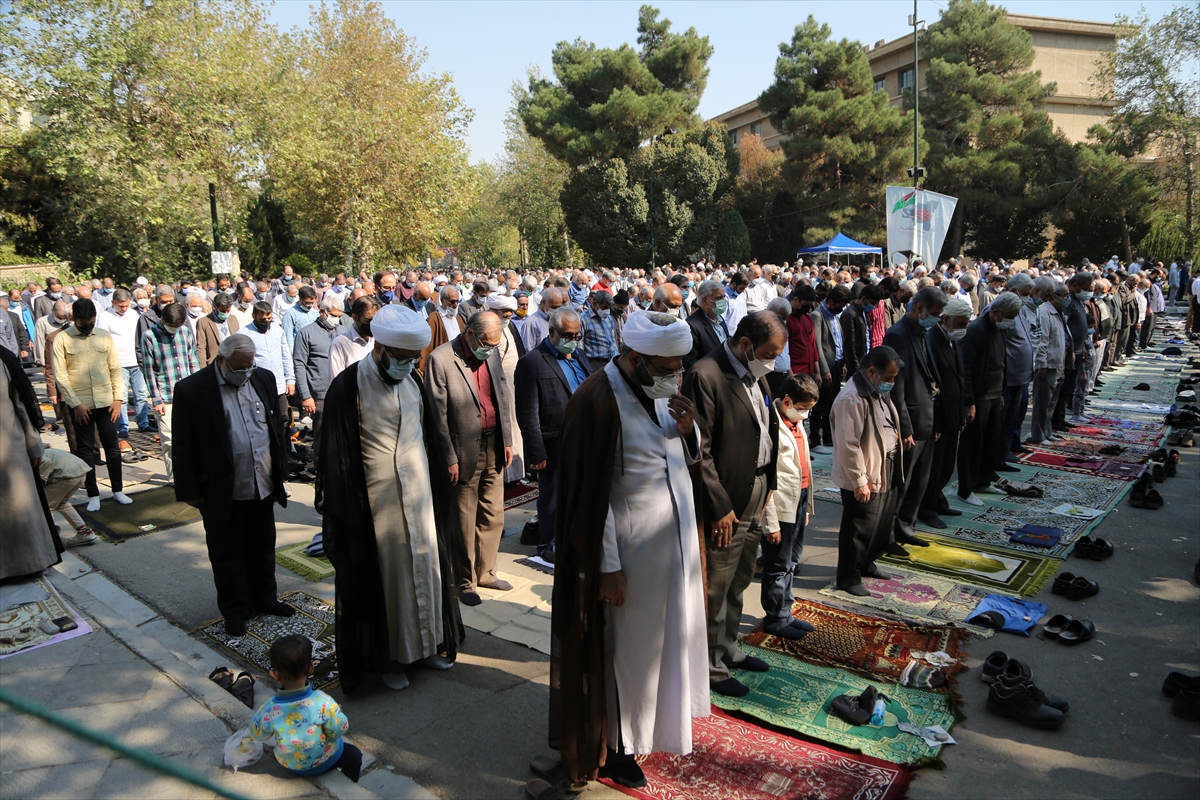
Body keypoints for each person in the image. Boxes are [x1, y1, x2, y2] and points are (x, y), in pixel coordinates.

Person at [543, 311, 707, 790]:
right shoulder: (597, 398)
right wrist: (607, 568)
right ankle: (619, 746)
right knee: (628, 659)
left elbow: (678, 455)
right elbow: (591, 498)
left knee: (666, 647)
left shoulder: (660, 391)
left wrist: (689, 430)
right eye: (667, 367)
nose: (675, 376)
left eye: (679, 367)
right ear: (635, 358)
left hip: (674, 550)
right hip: (630, 560)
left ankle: (655, 729)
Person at [316, 305, 465, 692]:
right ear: (379, 347)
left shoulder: (413, 381)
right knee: (388, 585)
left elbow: (430, 435)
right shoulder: (348, 386)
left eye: (411, 358)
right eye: (398, 358)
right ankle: (390, 659)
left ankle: (429, 645)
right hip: (375, 506)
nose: (406, 364)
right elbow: (334, 455)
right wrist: (348, 508)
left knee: (427, 573)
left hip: (419, 500)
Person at [683, 310, 785, 698]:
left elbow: (766, 428)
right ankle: (709, 666)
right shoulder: (706, 375)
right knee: (717, 586)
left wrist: (770, 484)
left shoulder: (755, 374)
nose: (773, 362)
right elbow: (700, 450)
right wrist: (719, 505)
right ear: (745, 345)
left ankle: (728, 649)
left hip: (756, 489)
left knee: (741, 580)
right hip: (726, 500)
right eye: (769, 353)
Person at [173, 334, 292, 636]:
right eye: (240, 367)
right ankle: (236, 609)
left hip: (261, 482)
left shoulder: (262, 378)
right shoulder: (193, 389)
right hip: (221, 489)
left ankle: (265, 598)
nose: (245, 372)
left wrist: (280, 469)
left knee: (262, 546)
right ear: (222, 360)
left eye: (249, 366)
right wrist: (190, 491)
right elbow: (183, 445)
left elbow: (275, 426)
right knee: (227, 553)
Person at [426, 311, 515, 605]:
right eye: (485, 344)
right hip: (462, 449)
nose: (489, 350)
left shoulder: (490, 351)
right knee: (463, 519)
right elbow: (436, 417)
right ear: (469, 335)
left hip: (493, 443)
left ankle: (487, 572)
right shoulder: (441, 359)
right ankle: (464, 582)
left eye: (494, 345)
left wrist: (508, 440)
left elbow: (502, 395)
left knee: (493, 514)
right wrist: (448, 457)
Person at [515, 307, 593, 564]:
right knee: (552, 499)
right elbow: (528, 413)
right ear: (552, 332)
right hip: (554, 443)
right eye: (567, 335)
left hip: (584, 439)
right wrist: (536, 452)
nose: (572, 339)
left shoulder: (579, 356)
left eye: (576, 335)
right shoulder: (532, 362)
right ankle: (546, 546)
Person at [830, 345, 904, 597]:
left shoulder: (875, 389)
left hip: (884, 464)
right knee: (859, 526)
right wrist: (860, 480)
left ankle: (867, 562)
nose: (891, 383)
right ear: (872, 372)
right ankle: (848, 576)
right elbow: (848, 445)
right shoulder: (852, 398)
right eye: (889, 378)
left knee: (880, 522)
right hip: (863, 472)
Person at [881, 285, 946, 553]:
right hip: (910, 421)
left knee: (919, 480)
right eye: (934, 314)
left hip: (927, 418)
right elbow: (896, 387)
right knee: (901, 484)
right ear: (919, 309)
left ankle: (907, 526)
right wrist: (903, 426)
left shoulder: (924, 333)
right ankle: (888, 536)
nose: (937, 320)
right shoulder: (897, 335)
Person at [53, 298, 131, 513]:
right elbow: (61, 375)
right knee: (85, 451)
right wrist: (75, 404)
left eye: (90, 322)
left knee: (113, 447)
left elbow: (115, 368)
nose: (87, 327)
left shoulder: (104, 336)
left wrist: (118, 399)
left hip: (107, 401)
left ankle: (118, 490)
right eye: (82, 323)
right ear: (73, 318)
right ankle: (93, 494)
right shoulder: (63, 339)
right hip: (80, 405)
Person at [251, 635, 362, 782]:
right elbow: (339, 729)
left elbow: (258, 735)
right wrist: (337, 713)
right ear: (311, 667)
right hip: (326, 760)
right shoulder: (323, 701)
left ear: (274, 674)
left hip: (290, 764)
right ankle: (349, 784)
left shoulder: (268, 709)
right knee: (355, 755)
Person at [759, 374, 819, 639]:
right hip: (780, 505)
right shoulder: (770, 425)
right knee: (777, 564)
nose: (805, 414)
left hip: (799, 499)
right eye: (803, 408)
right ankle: (774, 618)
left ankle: (786, 611)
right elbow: (765, 477)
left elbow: (802, 466)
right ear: (786, 401)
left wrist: (806, 508)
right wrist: (770, 523)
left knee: (792, 560)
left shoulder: (795, 422)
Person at [1, 345, 62, 580]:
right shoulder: (4, 357)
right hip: (10, 449)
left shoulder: (4, 358)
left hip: (10, 449)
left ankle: (28, 562)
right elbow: (22, 404)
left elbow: (21, 404)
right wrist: (33, 442)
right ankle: (27, 563)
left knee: (18, 508)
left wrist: (33, 442)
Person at [958, 292, 1022, 505]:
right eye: (1010, 316)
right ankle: (966, 489)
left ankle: (983, 481)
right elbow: (965, 367)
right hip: (979, 397)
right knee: (973, 446)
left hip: (995, 395)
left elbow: (1000, 362)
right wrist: (969, 401)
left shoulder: (999, 329)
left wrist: (1001, 392)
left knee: (990, 443)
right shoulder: (976, 330)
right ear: (996, 312)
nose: (1012, 320)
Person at [919, 297, 971, 529]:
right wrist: (937, 423)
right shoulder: (932, 340)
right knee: (934, 467)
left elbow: (960, 376)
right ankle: (927, 509)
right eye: (960, 323)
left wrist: (963, 410)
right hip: (939, 416)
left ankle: (939, 501)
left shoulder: (954, 339)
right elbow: (933, 384)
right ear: (946, 319)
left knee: (947, 464)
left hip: (954, 413)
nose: (963, 329)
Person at [139, 303, 200, 484]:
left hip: (188, 395)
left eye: (178, 326)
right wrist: (156, 399)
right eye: (172, 326)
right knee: (170, 441)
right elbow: (149, 371)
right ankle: (176, 479)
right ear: (163, 320)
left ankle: (193, 474)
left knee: (192, 438)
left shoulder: (186, 333)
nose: (174, 329)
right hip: (165, 396)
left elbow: (193, 363)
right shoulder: (149, 337)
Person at [485, 294, 527, 483]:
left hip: (514, 385)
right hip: (495, 387)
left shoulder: (509, 326)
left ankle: (517, 473)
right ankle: (504, 475)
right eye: (504, 313)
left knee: (515, 426)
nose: (508, 317)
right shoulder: (485, 328)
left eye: (510, 313)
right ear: (493, 311)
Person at [811, 285, 851, 453]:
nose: (842, 309)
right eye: (840, 305)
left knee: (833, 404)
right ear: (831, 301)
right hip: (827, 366)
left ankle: (828, 437)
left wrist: (843, 364)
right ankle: (814, 439)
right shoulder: (818, 315)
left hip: (837, 365)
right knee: (820, 405)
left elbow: (839, 340)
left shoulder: (835, 315)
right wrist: (824, 370)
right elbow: (818, 346)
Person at [1030, 281, 1069, 445]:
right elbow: (1042, 340)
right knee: (1042, 402)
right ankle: (1038, 434)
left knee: (1052, 401)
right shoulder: (1044, 312)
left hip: (1058, 362)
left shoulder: (1058, 311)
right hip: (1048, 364)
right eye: (1065, 296)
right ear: (1054, 296)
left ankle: (1047, 431)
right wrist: (1041, 364)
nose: (1067, 299)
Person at [39, 447, 96, 547]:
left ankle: (51, 540)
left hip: (65, 475)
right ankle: (85, 533)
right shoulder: (39, 451)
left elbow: (45, 462)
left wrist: (41, 482)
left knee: (46, 507)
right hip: (80, 471)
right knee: (62, 503)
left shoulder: (28, 456)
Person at [329, 295, 380, 380]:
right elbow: (336, 382)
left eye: (376, 320)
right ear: (355, 317)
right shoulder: (340, 344)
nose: (373, 324)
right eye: (368, 320)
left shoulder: (379, 340)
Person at [683, 280, 729, 372]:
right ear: (704, 300)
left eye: (724, 297)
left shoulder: (719, 318)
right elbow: (691, 362)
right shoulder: (692, 325)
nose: (723, 301)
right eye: (719, 297)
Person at [419, 286, 463, 373]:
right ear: (442, 300)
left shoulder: (458, 318)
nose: (455, 305)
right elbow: (426, 348)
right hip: (442, 367)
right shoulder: (434, 319)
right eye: (452, 301)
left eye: (457, 301)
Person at [196, 292, 240, 367]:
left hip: (233, 363)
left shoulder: (233, 319)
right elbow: (201, 348)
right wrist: (203, 368)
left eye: (228, 311)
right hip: (214, 364)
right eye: (223, 311)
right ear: (215, 306)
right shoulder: (203, 322)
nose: (226, 313)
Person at [519, 287, 565, 353]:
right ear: (544, 302)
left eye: (559, 307)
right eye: (554, 307)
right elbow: (528, 351)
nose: (556, 310)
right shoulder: (531, 323)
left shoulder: (558, 319)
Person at [580, 290, 618, 367]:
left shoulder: (609, 318)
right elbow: (580, 348)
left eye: (609, 308)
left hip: (612, 362)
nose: (607, 311)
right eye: (604, 308)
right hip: (596, 364)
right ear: (594, 303)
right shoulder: (583, 320)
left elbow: (613, 340)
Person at [282, 285, 319, 351]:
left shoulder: (315, 313)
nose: (310, 306)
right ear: (300, 299)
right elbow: (288, 337)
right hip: (299, 350)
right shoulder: (290, 314)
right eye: (307, 303)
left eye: (312, 303)